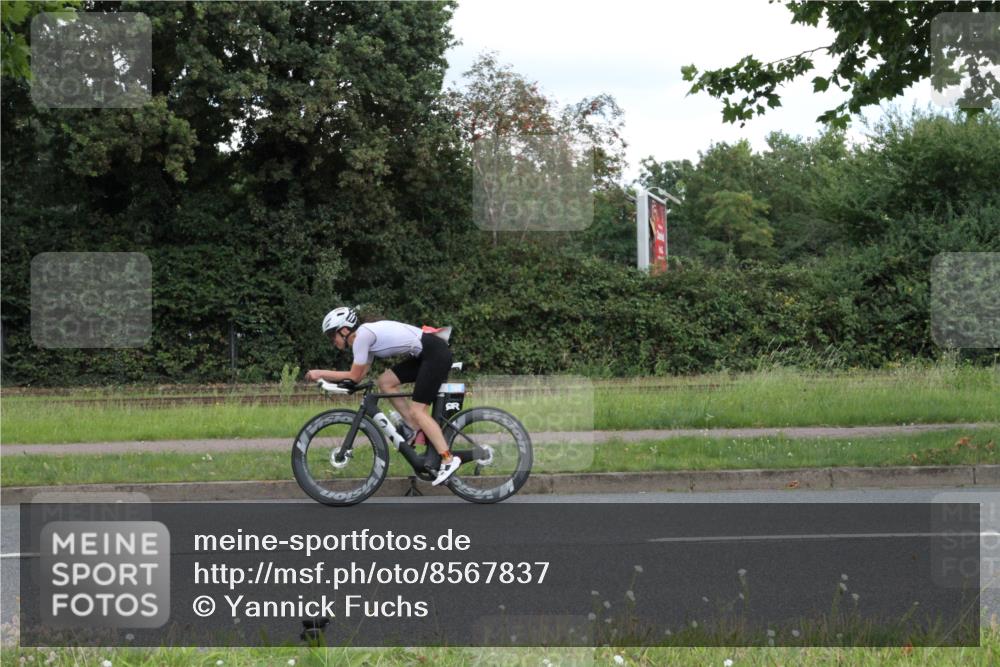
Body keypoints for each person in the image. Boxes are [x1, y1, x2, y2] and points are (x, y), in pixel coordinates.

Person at [304, 306, 461, 486]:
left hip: (434, 354)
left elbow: (353, 375)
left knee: (418, 411)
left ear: (344, 330)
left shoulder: (362, 337)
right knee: (385, 382)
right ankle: (413, 427)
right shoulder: (363, 338)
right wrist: (336, 383)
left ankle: (448, 459)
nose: (332, 341)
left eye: (332, 335)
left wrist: (319, 373)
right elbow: (358, 376)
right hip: (427, 353)